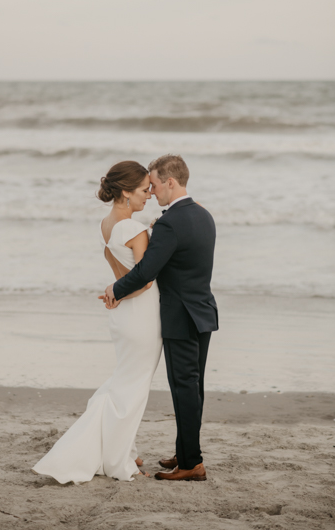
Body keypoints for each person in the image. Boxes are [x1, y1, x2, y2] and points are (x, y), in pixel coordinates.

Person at [32, 160, 162, 484]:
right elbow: (143, 281)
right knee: (133, 389)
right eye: (144, 190)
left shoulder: (107, 224)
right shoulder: (134, 228)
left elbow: (123, 276)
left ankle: (123, 449)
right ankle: (117, 459)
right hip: (142, 315)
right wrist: (119, 292)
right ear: (126, 192)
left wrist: (114, 294)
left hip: (123, 316)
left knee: (124, 383)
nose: (149, 195)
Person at [105, 154, 218, 482]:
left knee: (183, 387)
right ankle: (186, 452)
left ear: (170, 182)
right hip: (204, 311)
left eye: (154, 184)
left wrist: (116, 289)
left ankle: (191, 463)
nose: (151, 191)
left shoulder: (170, 222)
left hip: (180, 316)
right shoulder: (203, 215)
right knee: (194, 388)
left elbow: (146, 272)